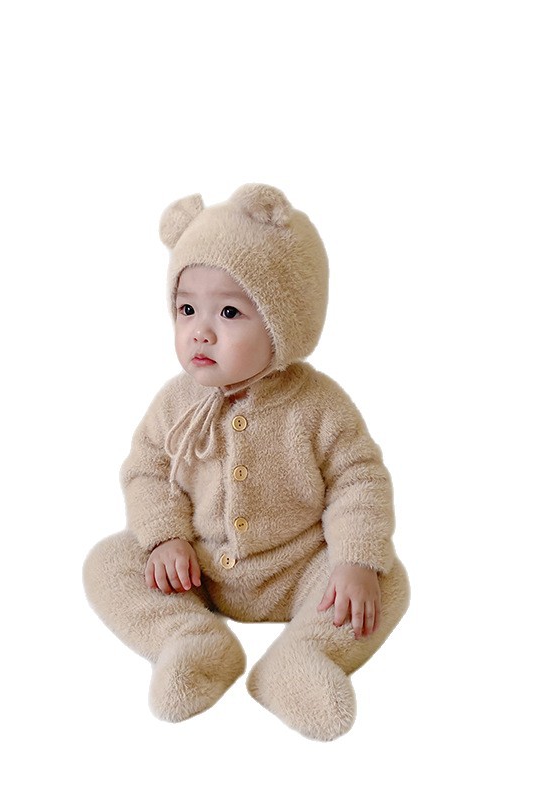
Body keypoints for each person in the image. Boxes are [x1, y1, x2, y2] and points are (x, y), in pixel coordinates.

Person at [83, 184, 409, 741]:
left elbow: (359, 480)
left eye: (229, 312)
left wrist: (354, 560)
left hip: (301, 574)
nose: (200, 330)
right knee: (107, 562)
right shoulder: (175, 403)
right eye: (187, 309)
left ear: (285, 320)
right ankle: (190, 640)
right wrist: (165, 538)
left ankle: (301, 659)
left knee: (386, 579)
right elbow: (146, 471)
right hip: (199, 573)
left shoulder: (318, 405)